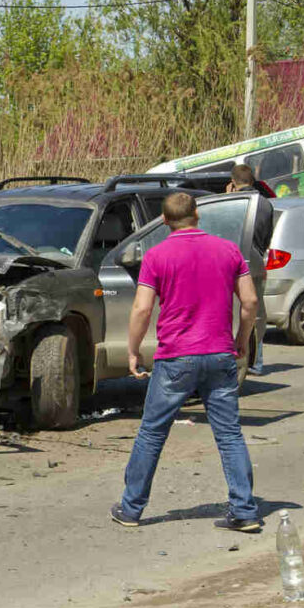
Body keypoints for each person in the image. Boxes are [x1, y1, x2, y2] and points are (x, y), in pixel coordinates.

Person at [110, 192, 262, 532]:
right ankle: (245, 511)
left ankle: (131, 509)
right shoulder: (229, 250)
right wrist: (241, 338)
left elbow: (142, 308)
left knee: (152, 433)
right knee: (229, 434)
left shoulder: (156, 255)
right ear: (197, 215)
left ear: (164, 221)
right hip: (220, 354)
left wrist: (133, 350)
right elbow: (250, 301)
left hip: (176, 357)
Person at [227, 165, 267, 376]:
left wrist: (227, 198)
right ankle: (256, 361)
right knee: (256, 312)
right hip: (257, 261)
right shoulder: (265, 203)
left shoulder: (235, 202)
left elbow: (228, 228)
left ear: (233, 182)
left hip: (235, 262)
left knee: (233, 309)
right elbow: (266, 237)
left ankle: (238, 357)